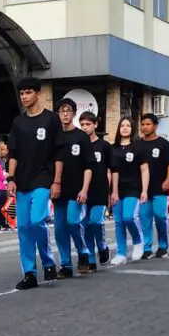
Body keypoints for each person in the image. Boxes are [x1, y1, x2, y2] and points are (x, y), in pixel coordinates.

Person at [7, 78, 62, 290]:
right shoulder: (18, 122)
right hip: (22, 180)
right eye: (22, 94)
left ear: (38, 93)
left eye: (28, 92)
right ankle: (29, 273)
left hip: (44, 178)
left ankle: (48, 262)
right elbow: (13, 153)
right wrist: (11, 178)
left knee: (37, 220)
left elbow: (58, 153)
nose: (24, 97)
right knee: (23, 226)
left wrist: (57, 181)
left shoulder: (51, 120)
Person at [53, 98, 91, 277]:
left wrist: (84, 189)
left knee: (72, 222)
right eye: (62, 111)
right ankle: (66, 264)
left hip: (76, 189)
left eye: (68, 111)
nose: (65, 114)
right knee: (60, 229)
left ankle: (83, 252)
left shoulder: (81, 136)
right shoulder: (54, 136)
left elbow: (88, 166)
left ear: (74, 113)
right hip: (58, 189)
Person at [109, 116, 148, 265]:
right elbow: (113, 171)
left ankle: (138, 241)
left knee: (129, 218)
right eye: (122, 125)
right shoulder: (113, 149)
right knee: (119, 222)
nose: (124, 128)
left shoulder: (138, 147)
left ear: (132, 129)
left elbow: (144, 170)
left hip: (134, 188)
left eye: (128, 126)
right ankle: (121, 253)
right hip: (118, 188)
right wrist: (113, 191)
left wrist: (144, 190)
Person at [138, 112, 169, 258]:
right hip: (143, 189)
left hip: (160, 187)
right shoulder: (138, 144)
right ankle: (146, 247)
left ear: (155, 126)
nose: (145, 127)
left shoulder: (164, 144)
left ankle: (163, 245)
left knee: (160, 216)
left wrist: (167, 180)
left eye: (148, 124)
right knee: (144, 218)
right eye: (142, 124)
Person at [79, 110, 111, 270]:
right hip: (82, 191)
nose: (84, 127)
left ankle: (103, 246)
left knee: (95, 222)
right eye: (82, 124)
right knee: (85, 225)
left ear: (96, 125)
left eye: (88, 124)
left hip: (100, 190)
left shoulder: (105, 146)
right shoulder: (78, 146)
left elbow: (111, 170)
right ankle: (90, 257)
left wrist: (112, 192)